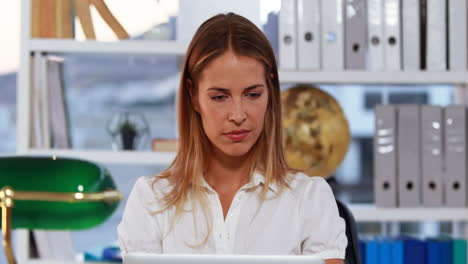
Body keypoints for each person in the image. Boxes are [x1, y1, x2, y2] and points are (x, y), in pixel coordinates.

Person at [117, 13, 347, 264]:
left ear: (269, 91)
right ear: (193, 95)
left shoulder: (310, 198)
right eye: (220, 97)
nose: (238, 115)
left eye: (252, 94)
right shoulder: (151, 199)